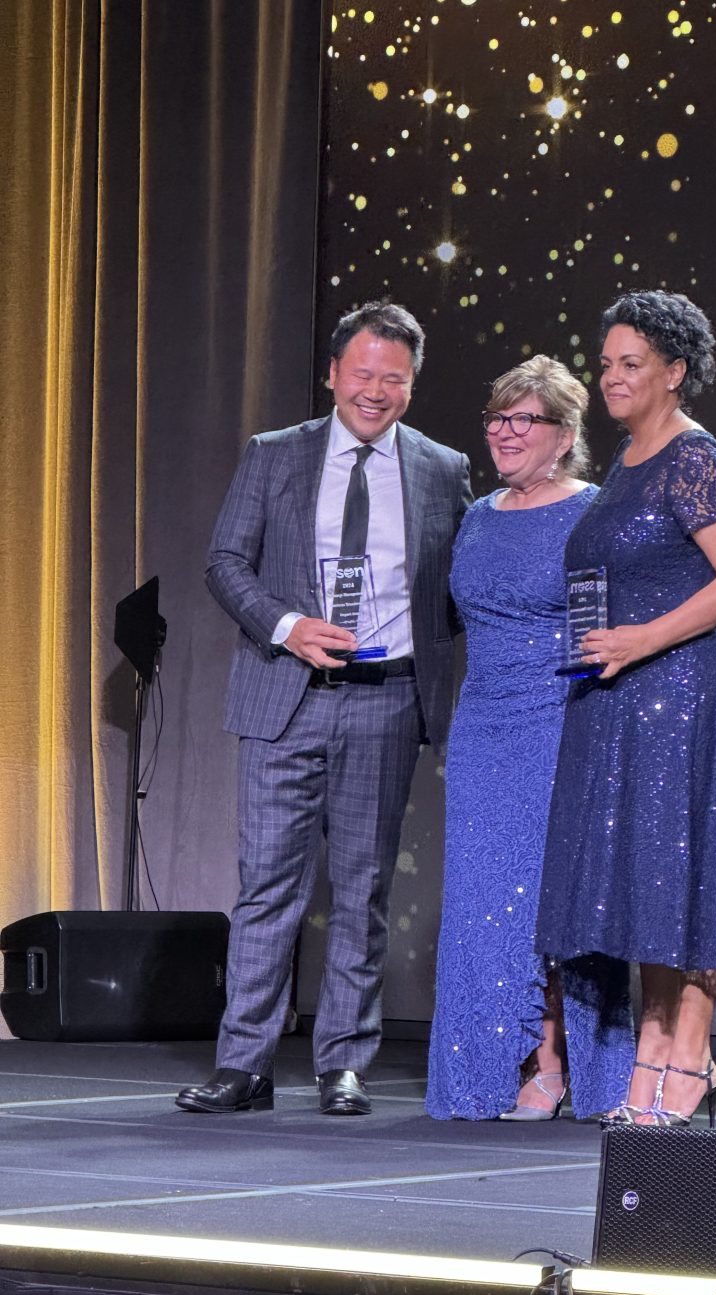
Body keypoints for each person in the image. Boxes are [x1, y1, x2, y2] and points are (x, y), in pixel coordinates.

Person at [176, 301, 472, 1117]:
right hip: (287, 694)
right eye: (363, 373)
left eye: (394, 379)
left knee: (361, 890)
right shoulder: (275, 454)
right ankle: (244, 1063)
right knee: (267, 887)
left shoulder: (442, 468)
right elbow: (225, 562)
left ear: (412, 385)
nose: (376, 391)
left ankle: (344, 1062)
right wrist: (288, 626)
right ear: (333, 373)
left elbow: (465, 585)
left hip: (386, 700)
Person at [536, 290, 716, 1127]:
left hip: (685, 694)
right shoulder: (629, 461)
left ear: (675, 371)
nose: (612, 377)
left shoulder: (695, 457)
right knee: (648, 881)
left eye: (631, 363)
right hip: (625, 700)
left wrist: (644, 638)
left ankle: (687, 1057)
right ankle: (651, 1057)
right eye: (606, 363)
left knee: (686, 870)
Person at [425, 356, 635, 1121]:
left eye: (524, 419)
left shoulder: (595, 511)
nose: (505, 433)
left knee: (554, 903)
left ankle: (579, 1067)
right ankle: (525, 1066)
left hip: (564, 722)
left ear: (565, 433)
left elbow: (646, 598)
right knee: (485, 903)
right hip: (483, 728)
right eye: (497, 418)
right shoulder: (477, 516)